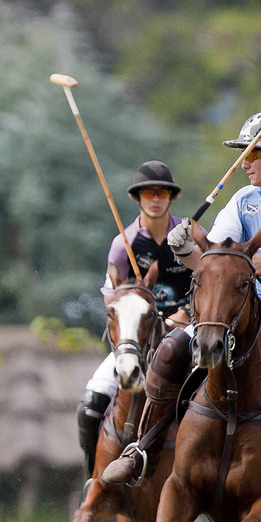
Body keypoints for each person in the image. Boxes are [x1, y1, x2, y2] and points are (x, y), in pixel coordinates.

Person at [101, 113, 261, 522]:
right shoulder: (244, 201)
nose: (244, 162)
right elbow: (213, 260)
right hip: (250, 310)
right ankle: (142, 449)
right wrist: (185, 247)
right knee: (170, 349)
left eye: (252, 153)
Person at [76, 161, 194, 477]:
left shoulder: (189, 234)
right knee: (92, 401)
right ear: (138, 199)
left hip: (190, 329)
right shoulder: (123, 244)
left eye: (162, 193)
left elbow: (212, 281)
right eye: (148, 193)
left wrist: (184, 315)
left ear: (171, 198)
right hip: (139, 338)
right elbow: (110, 298)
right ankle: (94, 478)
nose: (155, 199)